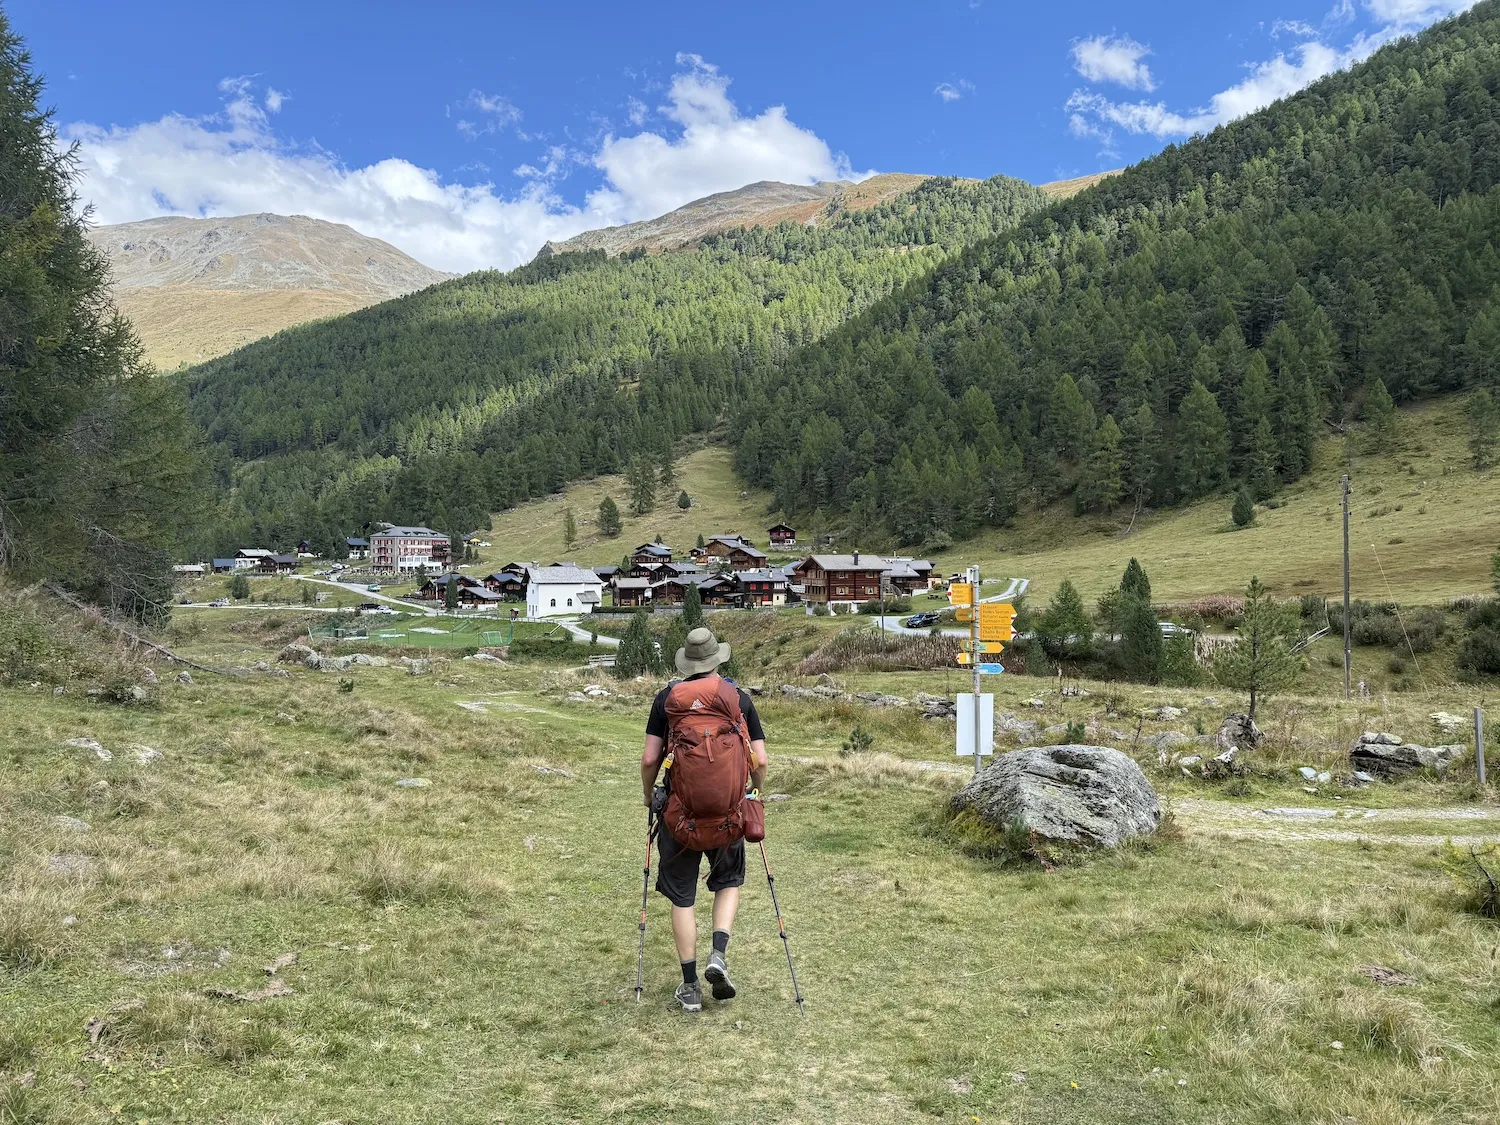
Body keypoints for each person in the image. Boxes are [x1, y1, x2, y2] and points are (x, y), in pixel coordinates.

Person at [641, 626, 768, 1012]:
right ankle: (719, 953)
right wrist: (753, 791)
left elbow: (650, 759)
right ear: (717, 659)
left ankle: (691, 986)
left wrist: (649, 797)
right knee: (728, 881)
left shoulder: (668, 700)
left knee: (682, 896)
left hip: (680, 816)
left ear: (687, 662)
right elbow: (759, 760)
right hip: (728, 814)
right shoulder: (737, 699)